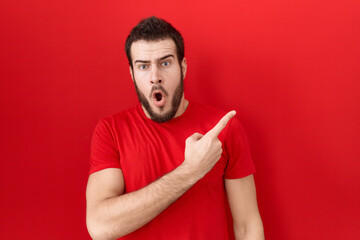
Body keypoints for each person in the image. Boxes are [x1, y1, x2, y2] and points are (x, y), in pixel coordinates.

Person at [86, 16, 264, 240]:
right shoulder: (110, 131)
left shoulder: (222, 130)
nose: (155, 77)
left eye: (165, 63)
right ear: (131, 73)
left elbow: (247, 225)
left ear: (183, 67)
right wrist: (190, 171)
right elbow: (100, 227)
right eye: (143, 66)